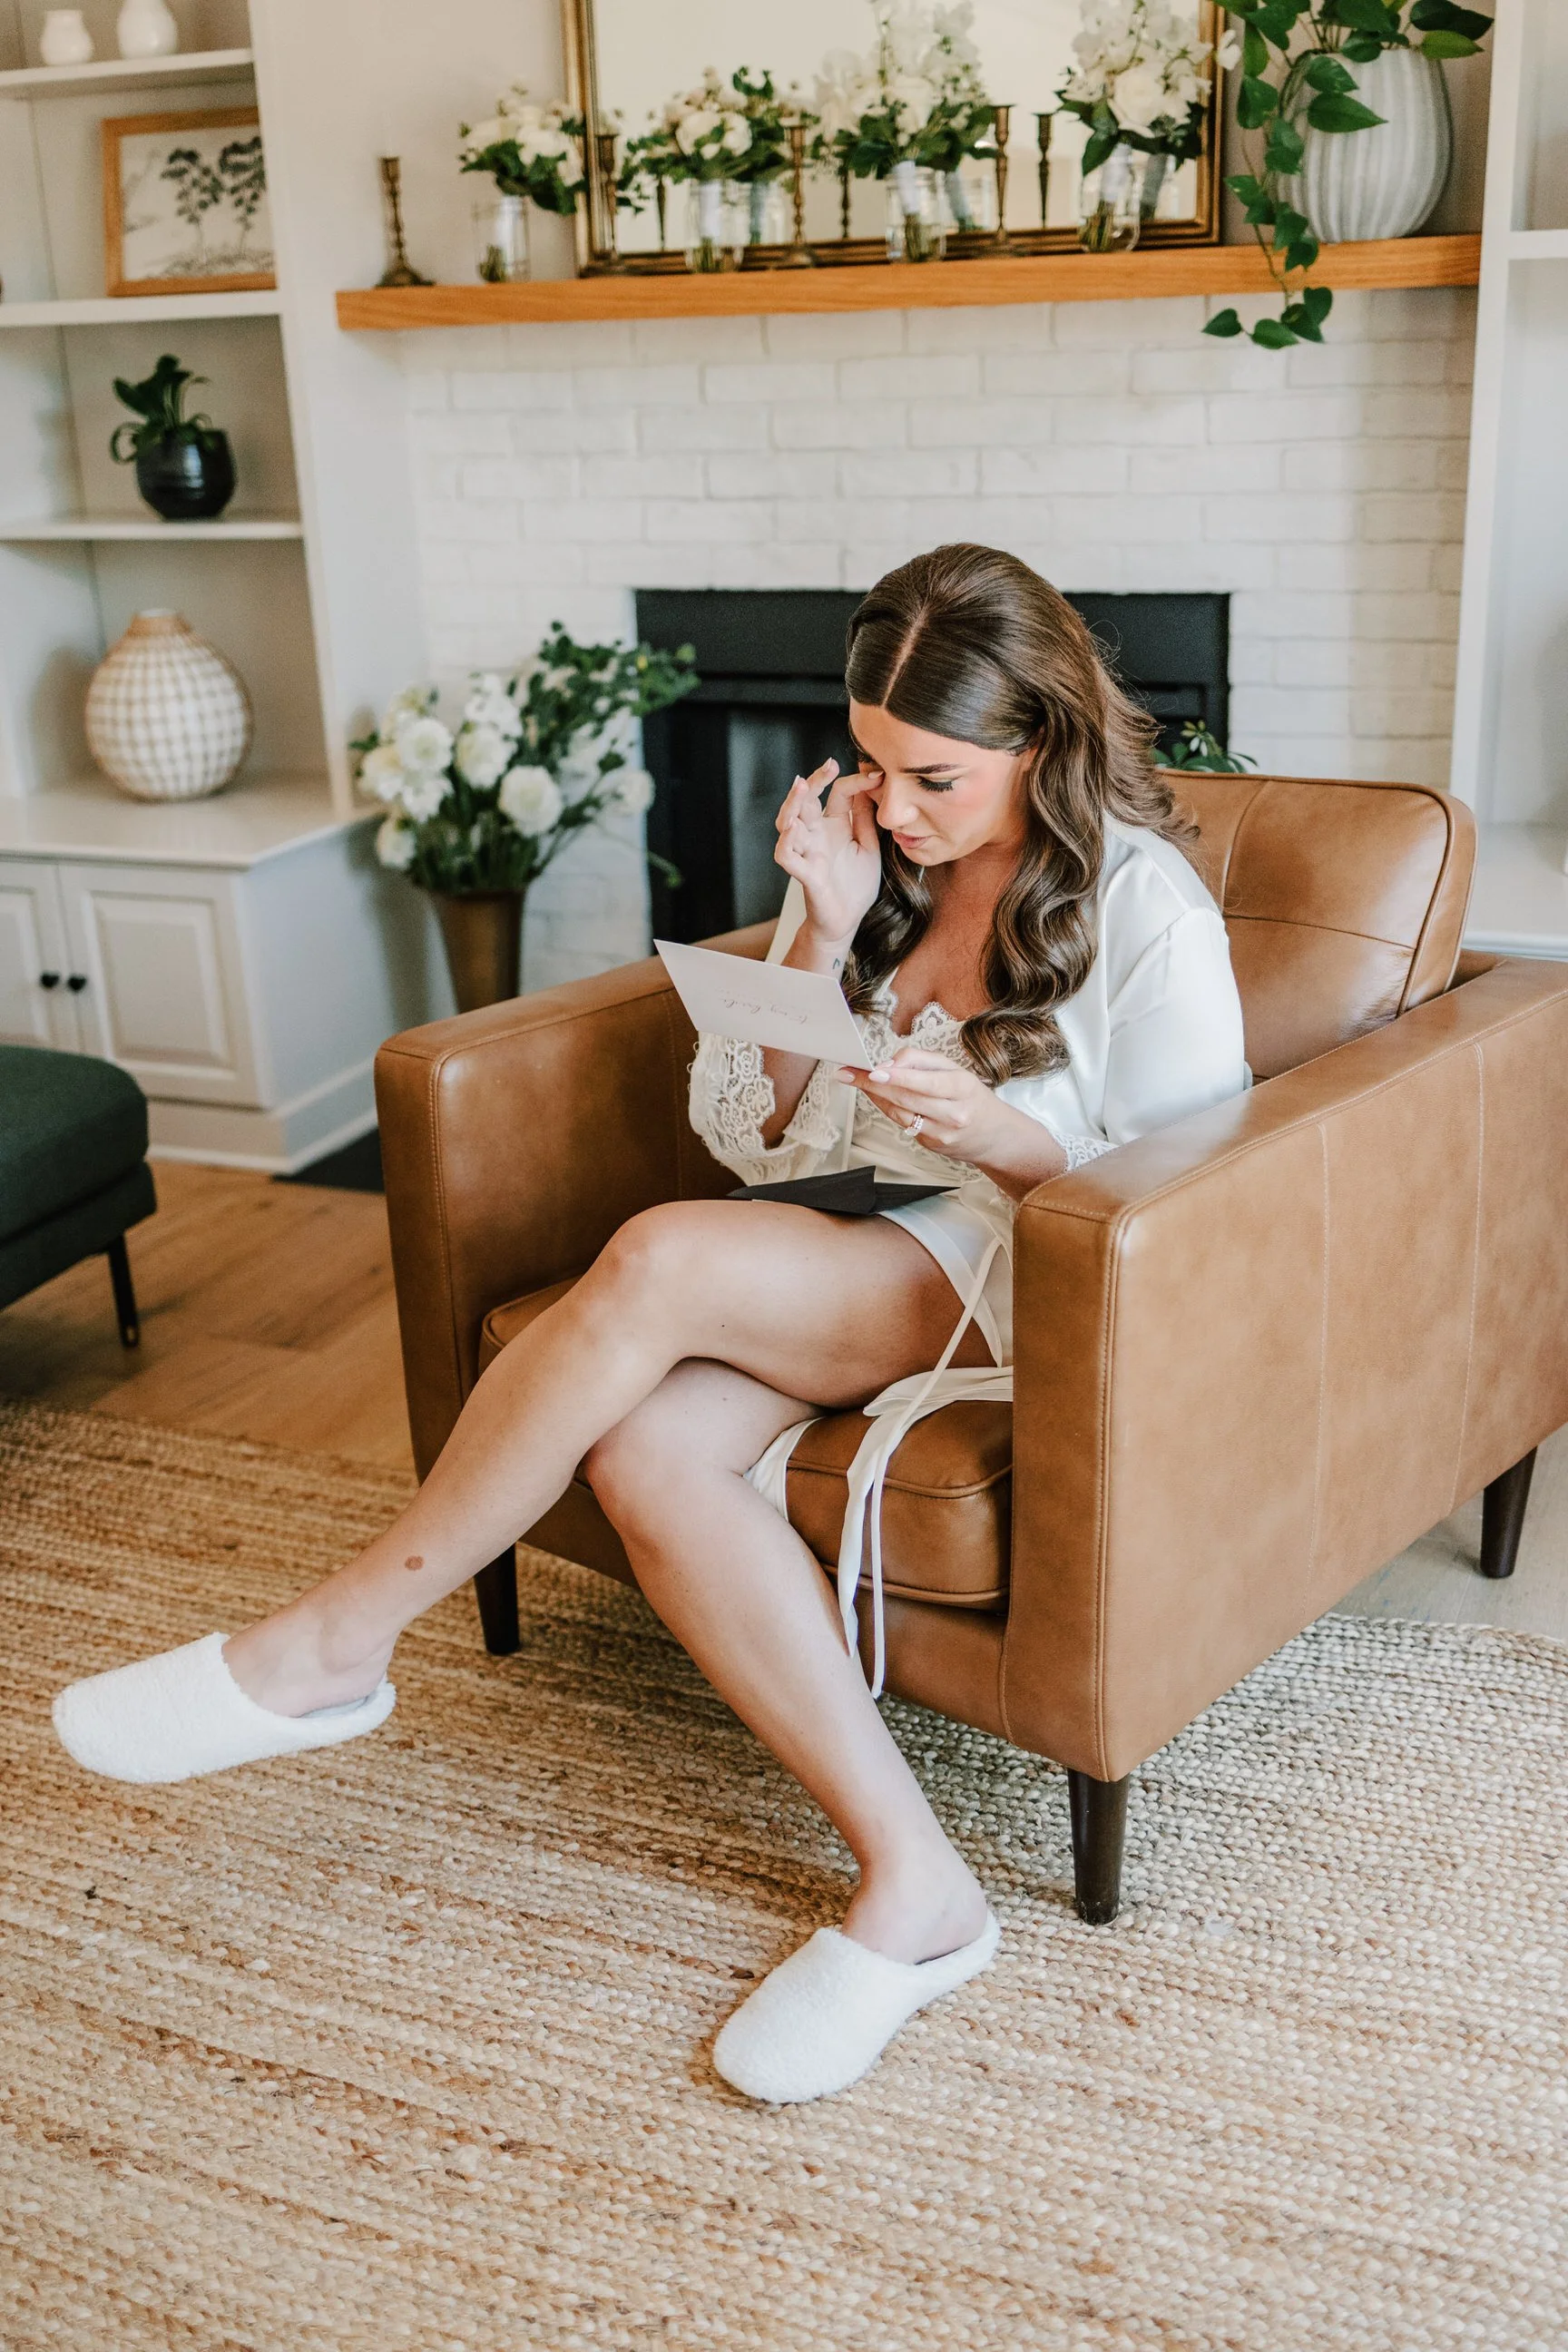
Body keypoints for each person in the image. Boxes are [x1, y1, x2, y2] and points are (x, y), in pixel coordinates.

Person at [53, 544, 1248, 2104]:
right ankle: (917, 1888)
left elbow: (1189, 1199)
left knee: (663, 1259)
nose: (893, 808)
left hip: (1003, 1251)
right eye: (872, 766)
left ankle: (334, 1645)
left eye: (934, 778)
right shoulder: (885, 863)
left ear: (1045, 740)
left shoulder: (1143, 906)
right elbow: (755, 1145)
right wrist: (816, 935)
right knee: (647, 1448)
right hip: (842, 1230)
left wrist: (1000, 1136)